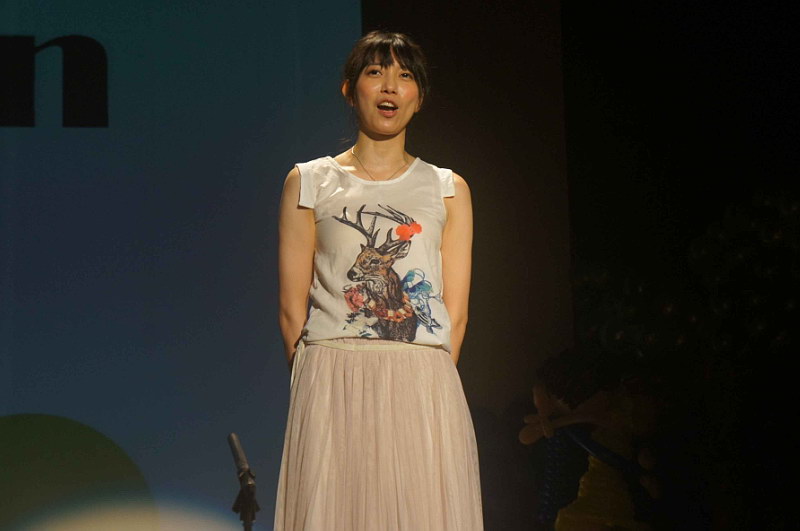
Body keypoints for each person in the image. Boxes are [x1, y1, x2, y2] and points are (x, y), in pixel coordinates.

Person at [273, 30, 483, 530]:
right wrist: (317, 384)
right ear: (350, 90)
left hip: (421, 381)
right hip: (331, 376)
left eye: (405, 76)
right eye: (375, 73)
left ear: (419, 97)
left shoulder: (447, 189)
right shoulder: (309, 181)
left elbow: (455, 314)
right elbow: (291, 310)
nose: (390, 87)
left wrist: (421, 383)